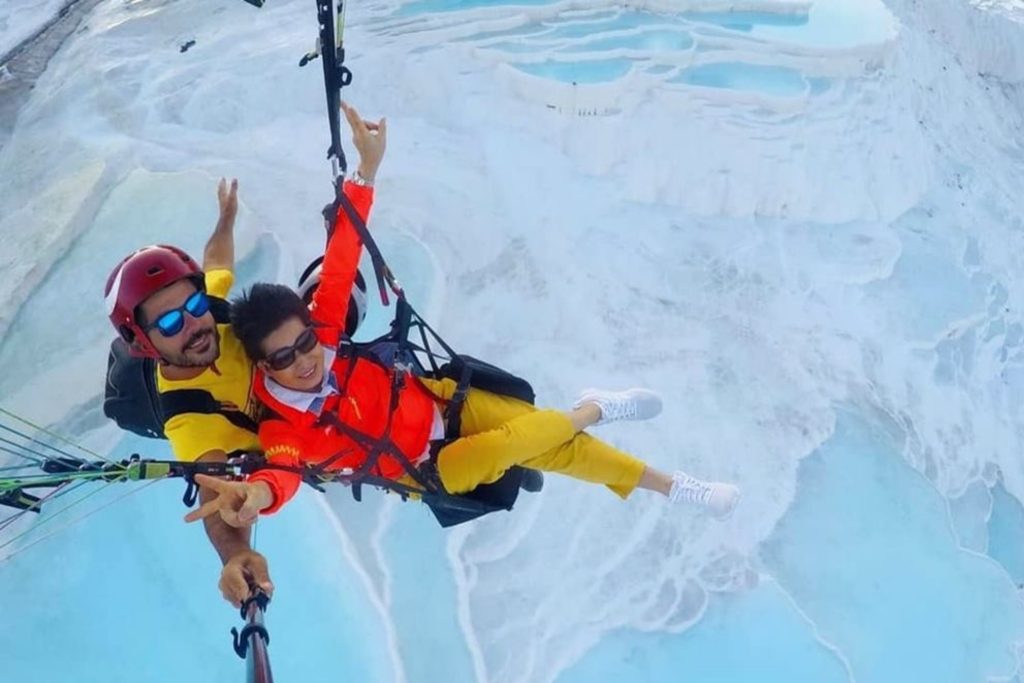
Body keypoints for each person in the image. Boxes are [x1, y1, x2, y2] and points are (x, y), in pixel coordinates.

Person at [185, 107, 742, 529]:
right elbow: (281, 473)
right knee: (513, 444)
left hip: (438, 401)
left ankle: (672, 486)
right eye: (284, 357)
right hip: (427, 468)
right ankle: (594, 408)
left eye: (304, 342)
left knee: (559, 452)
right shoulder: (284, 426)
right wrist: (256, 496)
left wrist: (367, 170)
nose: (306, 359)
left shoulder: (324, 333)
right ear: (264, 366)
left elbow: (342, 258)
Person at [104, 176, 273, 608]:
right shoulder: (189, 416)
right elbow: (213, 491)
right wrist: (236, 554)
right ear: (143, 343)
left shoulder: (214, 313)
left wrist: (227, 216)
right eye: (170, 325)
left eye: (193, 307)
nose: (194, 326)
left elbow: (216, 261)